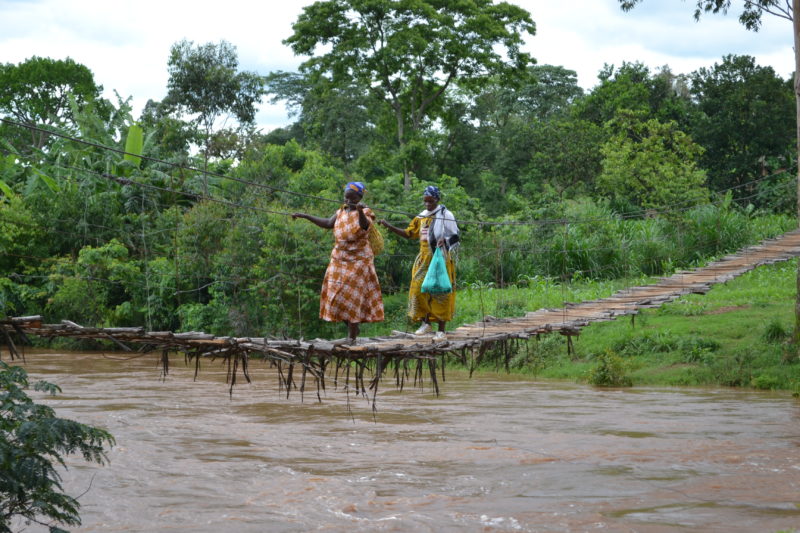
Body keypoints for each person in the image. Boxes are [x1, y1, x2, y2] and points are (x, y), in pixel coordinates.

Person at [292, 182, 384, 345]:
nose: (348, 201)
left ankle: (352, 336)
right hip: (339, 258)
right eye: (346, 197)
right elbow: (328, 223)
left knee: (353, 296)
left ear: (360, 197)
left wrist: (361, 210)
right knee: (335, 295)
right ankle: (351, 325)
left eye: (352, 198)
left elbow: (364, 227)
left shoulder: (366, 212)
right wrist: (305, 216)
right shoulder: (341, 211)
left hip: (359, 260)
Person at [380, 185, 459, 341]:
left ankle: (441, 330)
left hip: (439, 259)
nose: (427, 204)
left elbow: (456, 236)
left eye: (431, 201)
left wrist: (445, 240)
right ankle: (425, 323)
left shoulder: (446, 215)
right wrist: (389, 226)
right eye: (425, 201)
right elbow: (409, 233)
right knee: (418, 290)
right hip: (423, 259)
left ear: (437, 199)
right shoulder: (421, 216)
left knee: (440, 291)